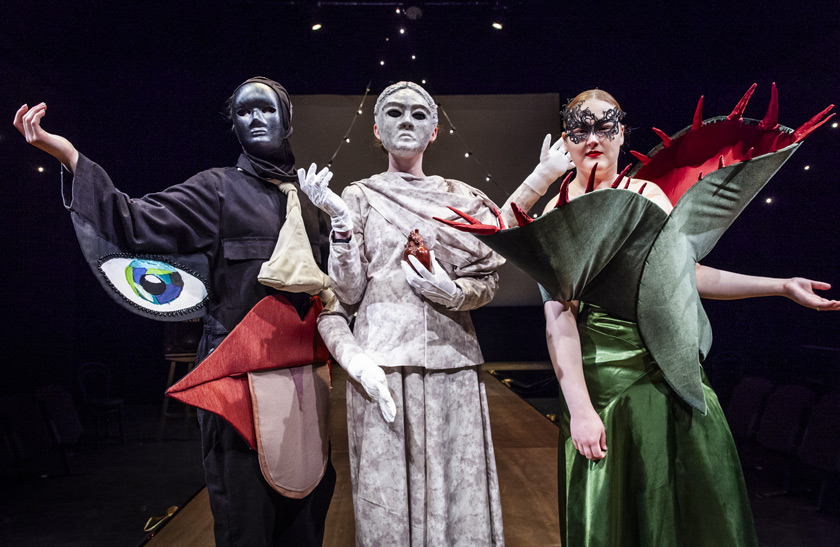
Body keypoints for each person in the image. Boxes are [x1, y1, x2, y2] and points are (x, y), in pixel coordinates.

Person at [472, 88, 839, 547]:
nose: (593, 138)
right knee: (618, 513)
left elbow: (687, 275)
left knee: (691, 506)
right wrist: (582, 410)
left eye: (605, 126)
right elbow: (557, 320)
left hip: (672, 369)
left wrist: (780, 285)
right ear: (566, 139)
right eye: (580, 128)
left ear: (622, 134)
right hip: (604, 385)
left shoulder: (647, 194)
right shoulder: (557, 212)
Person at [13, 77, 336, 547]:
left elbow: (340, 287)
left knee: (306, 525)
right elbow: (134, 221)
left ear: (287, 119)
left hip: (306, 388)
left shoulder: (312, 205)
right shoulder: (217, 190)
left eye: (266, 108)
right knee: (246, 527)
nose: (255, 118)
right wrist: (70, 157)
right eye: (244, 112)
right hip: (238, 390)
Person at [298, 81, 508, 546]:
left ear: (434, 131)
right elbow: (347, 293)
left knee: (458, 493)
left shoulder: (462, 198)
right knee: (386, 500)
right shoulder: (358, 197)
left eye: (418, 114)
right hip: (382, 367)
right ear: (377, 129)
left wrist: (452, 291)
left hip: (451, 362)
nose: (406, 121)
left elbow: (488, 280)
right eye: (394, 113)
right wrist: (340, 224)